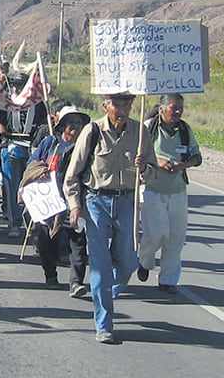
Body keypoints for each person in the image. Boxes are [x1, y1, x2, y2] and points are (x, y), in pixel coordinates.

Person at [63, 92, 156, 344]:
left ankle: (104, 294)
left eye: (127, 103)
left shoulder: (140, 133)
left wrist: (144, 167)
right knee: (101, 267)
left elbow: (153, 174)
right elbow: (72, 175)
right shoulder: (92, 131)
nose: (122, 109)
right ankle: (104, 324)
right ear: (106, 105)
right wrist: (74, 206)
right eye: (117, 104)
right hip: (96, 202)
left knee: (128, 263)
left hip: (126, 202)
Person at [137, 93, 202, 294]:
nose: (177, 112)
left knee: (176, 236)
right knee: (156, 233)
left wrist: (184, 164)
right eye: (173, 107)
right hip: (152, 189)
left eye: (180, 108)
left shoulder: (184, 129)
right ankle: (144, 261)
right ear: (161, 108)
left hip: (178, 190)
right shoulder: (148, 127)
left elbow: (197, 157)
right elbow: (136, 154)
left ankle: (168, 279)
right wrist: (158, 161)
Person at [23, 104, 90, 296]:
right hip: (49, 202)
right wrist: (40, 171)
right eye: (71, 123)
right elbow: (32, 163)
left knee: (78, 242)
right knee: (46, 241)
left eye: (78, 123)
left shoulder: (86, 147)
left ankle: (76, 282)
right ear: (62, 126)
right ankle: (50, 276)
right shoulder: (49, 143)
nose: (75, 127)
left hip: (75, 201)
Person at [0, 73, 48, 237]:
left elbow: (45, 121)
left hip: (32, 148)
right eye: (14, 85)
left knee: (32, 187)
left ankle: (32, 221)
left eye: (20, 85)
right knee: (12, 187)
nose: (17, 88)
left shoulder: (37, 104)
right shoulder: (5, 101)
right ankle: (14, 223)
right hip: (11, 147)